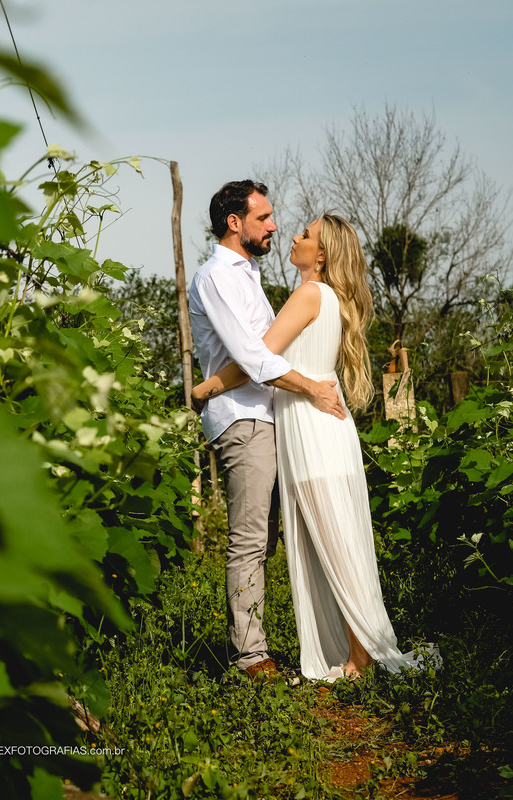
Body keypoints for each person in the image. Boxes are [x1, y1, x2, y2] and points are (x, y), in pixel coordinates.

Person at [193, 212, 439, 682]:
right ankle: (356, 649)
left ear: (321, 254)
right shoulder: (327, 297)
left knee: (335, 542)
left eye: (305, 235)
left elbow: (254, 361)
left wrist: (205, 390)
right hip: (322, 427)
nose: (294, 237)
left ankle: (360, 657)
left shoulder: (309, 294)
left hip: (312, 430)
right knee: (338, 539)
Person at [187, 180, 344, 682]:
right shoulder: (218, 277)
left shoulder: (248, 274)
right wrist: (312, 389)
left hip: (269, 416)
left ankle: (280, 643)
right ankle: (250, 659)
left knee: (270, 543)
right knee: (250, 541)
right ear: (235, 222)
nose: (274, 225)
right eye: (264, 218)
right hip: (244, 417)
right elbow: (255, 358)